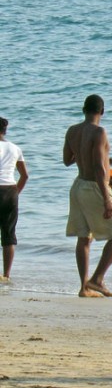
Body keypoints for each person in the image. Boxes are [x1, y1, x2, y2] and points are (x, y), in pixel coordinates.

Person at [63, 94, 112, 298]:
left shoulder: (72, 131)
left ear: (84, 110)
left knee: (84, 238)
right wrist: (106, 198)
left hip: (78, 185)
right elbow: (99, 167)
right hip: (95, 187)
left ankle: (84, 287)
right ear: (102, 112)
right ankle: (97, 279)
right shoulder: (99, 132)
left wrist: (85, 154)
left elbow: (67, 160)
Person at [0, 117, 28, 282]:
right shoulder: (15, 148)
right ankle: (6, 274)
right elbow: (24, 175)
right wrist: (16, 193)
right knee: (9, 234)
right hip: (10, 191)